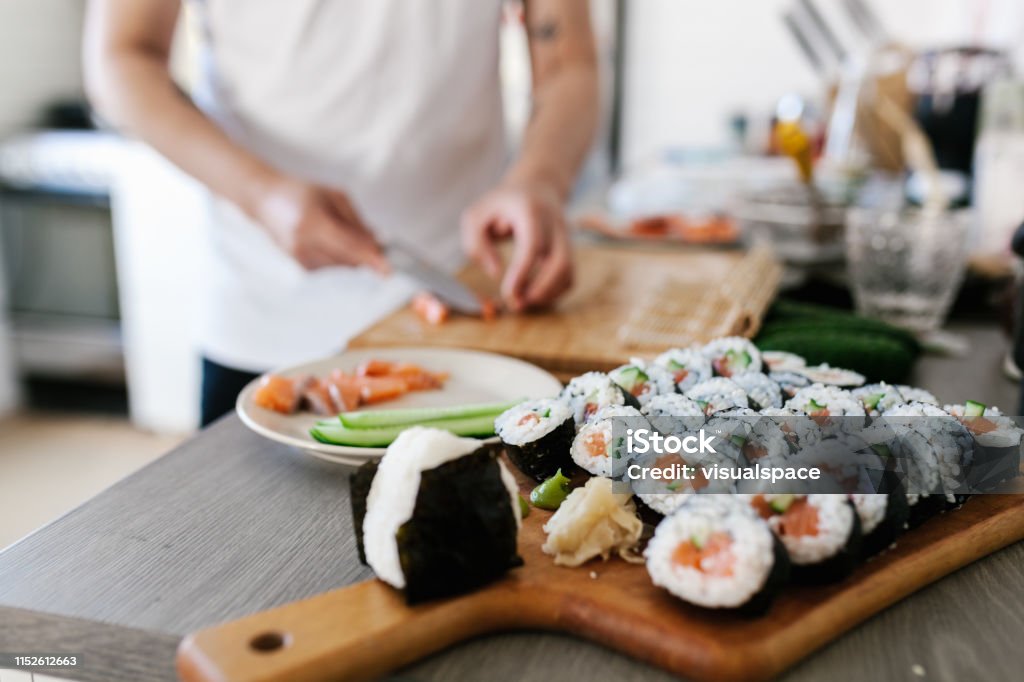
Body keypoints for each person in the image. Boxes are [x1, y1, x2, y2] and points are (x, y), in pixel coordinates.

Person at [83, 0, 599, 425]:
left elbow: (569, 65)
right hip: (266, 326)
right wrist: (260, 194)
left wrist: (539, 179)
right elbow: (121, 57)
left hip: (473, 308)